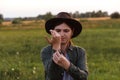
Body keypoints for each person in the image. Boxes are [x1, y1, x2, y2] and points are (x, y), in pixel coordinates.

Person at [41, 12, 88, 80]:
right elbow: (52, 76)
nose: (61, 34)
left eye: (66, 31)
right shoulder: (46, 51)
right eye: (58, 31)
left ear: (72, 32)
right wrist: (56, 48)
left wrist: (68, 66)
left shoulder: (80, 52)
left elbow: (84, 77)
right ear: (53, 32)